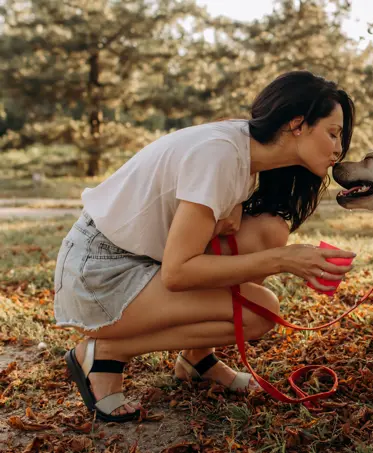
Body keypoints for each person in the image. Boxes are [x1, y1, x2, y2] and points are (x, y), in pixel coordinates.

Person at [52, 70, 357, 422]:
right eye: (333, 133)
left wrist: (247, 224)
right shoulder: (221, 156)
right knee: (261, 312)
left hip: (136, 259)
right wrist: (283, 260)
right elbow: (179, 272)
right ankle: (105, 354)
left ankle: (197, 359)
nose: (338, 147)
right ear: (298, 124)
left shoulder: (242, 152)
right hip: (99, 274)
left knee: (268, 231)